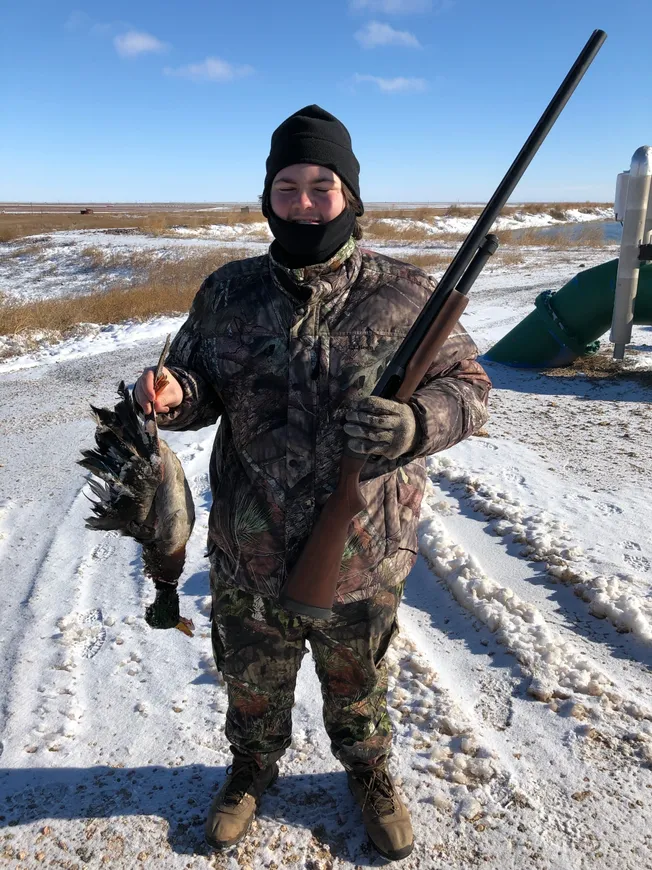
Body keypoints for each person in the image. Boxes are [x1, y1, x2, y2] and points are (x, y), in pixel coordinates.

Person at [135, 105, 491, 861]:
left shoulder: (406, 294)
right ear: (268, 197)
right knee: (251, 685)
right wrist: (177, 395)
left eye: (321, 186)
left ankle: (368, 775)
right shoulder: (228, 292)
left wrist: (418, 424)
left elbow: (471, 387)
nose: (303, 201)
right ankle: (251, 770)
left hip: (363, 552)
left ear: (351, 197)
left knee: (357, 685)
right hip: (249, 547)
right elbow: (200, 384)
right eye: (287, 186)